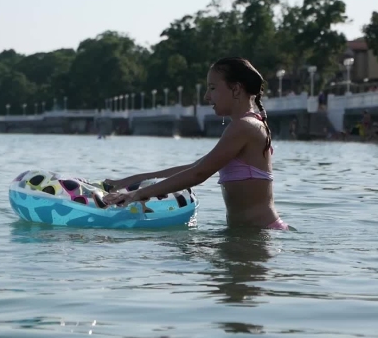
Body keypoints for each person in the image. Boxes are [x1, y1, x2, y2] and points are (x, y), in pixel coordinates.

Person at [102, 57, 288, 230]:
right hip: (248, 234)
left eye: (212, 88)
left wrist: (137, 194)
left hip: (260, 234)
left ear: (236, 89)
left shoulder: (244, 126)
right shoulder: (247, 124)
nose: (206, 96)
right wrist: (132, 181)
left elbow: (199, 174)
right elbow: (195, 167)